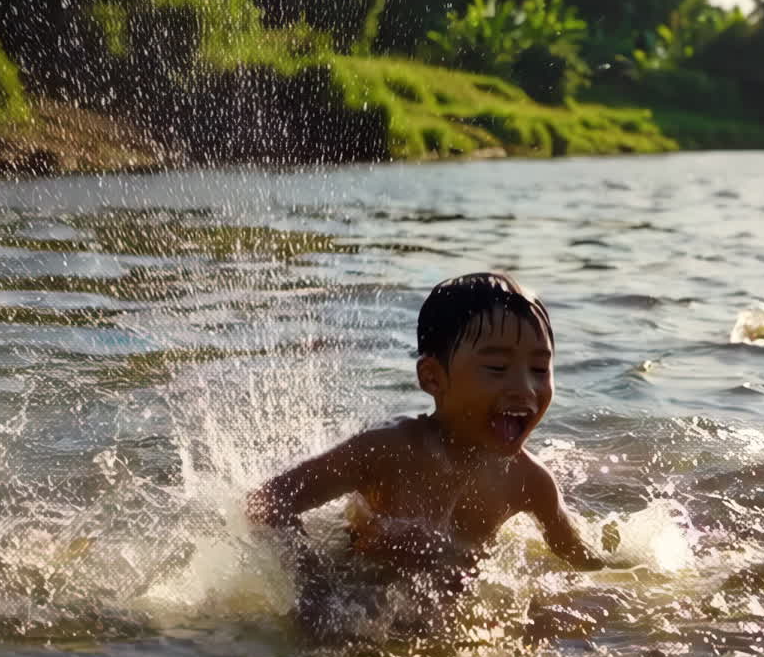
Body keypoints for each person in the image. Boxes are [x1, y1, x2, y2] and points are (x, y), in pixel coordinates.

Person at [246, 272, 622, 638]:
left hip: (444, 613)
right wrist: (314, 585)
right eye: (497, 368)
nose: (524, 388)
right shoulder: (387, 451)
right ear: (432, 378)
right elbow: (268, 502)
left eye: (540, 369)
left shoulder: (528, 482)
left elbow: (584, 559)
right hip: (361, 591)